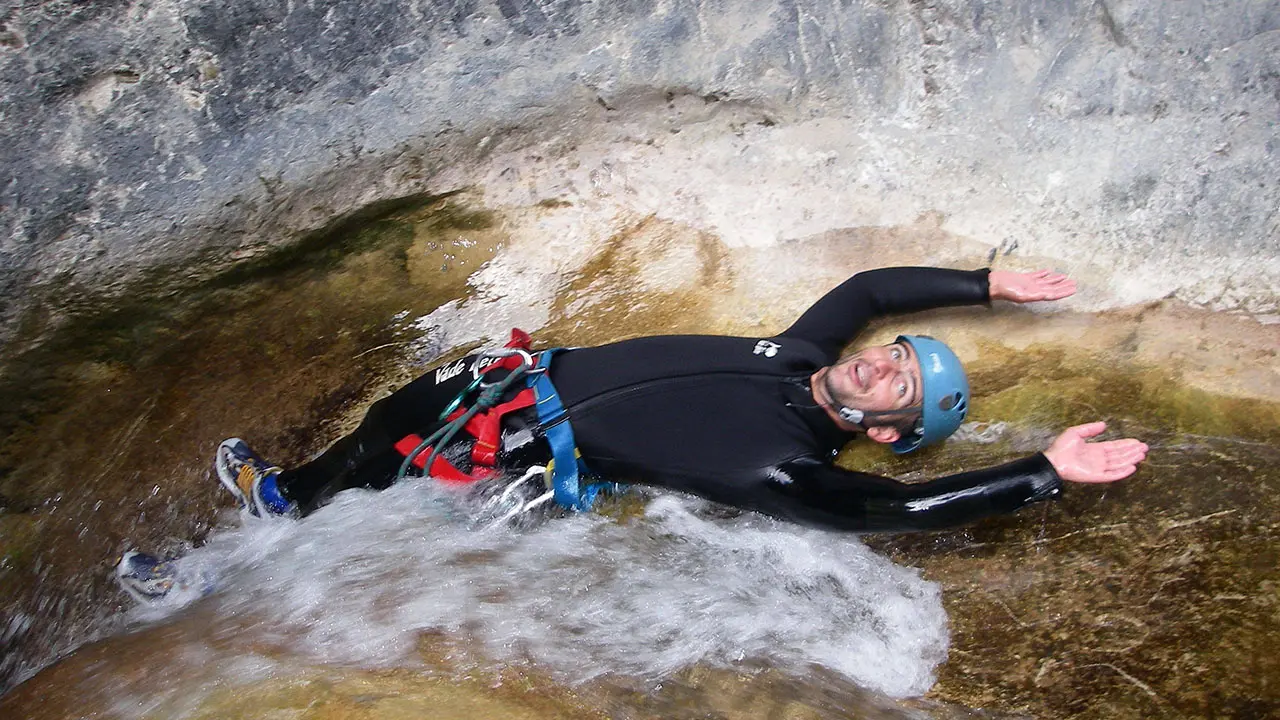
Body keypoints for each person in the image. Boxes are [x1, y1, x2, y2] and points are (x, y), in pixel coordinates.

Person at [117, 266, 1148, 600]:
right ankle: (280, 497)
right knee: (368, 438)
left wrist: (1041, 473)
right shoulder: (794, 355)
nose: (881, 360)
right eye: (898, 352)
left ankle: (202, 584)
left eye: (898, 385)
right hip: (507, 380)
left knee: (359, 535)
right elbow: (870, 288)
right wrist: (983, 283)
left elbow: (904, 510)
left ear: (883, 433)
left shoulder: (781, 467)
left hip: (507, 457)